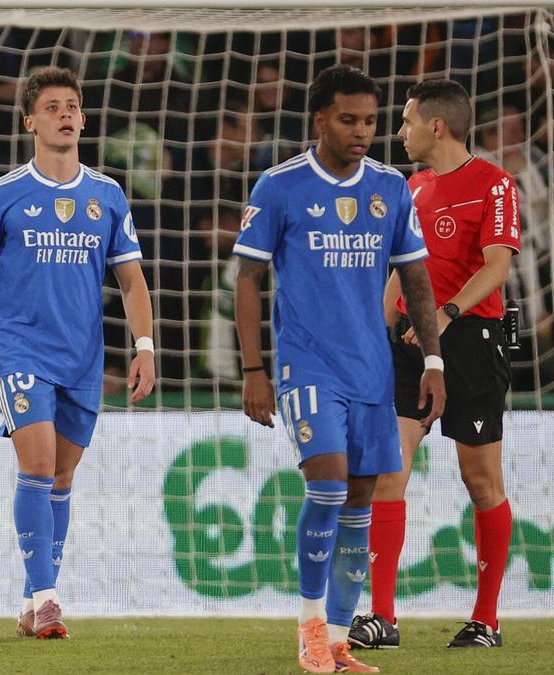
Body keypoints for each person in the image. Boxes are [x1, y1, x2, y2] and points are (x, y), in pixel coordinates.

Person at [232, 64, 446, 673]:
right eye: (348, 119)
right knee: (326, 485)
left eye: (371, 121)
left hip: (373, 372)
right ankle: (310, 631)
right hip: (308, 367)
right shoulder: (280, 185)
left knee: (359, 504)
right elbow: (248, 277)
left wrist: (432, 359)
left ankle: (340, 639)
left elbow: (416, 278)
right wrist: (254, 369)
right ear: (320, 119)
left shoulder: (391, 186)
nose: (362, 132)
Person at [0, 65, 156, 640]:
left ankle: (30, 597)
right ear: (30, 122)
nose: (66, 114)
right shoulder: (4, 195)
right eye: (53, 107)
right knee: (36, 466)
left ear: (83, 120)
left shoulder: (108, 196)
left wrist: (145, 347)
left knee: (62, 477)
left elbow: (133, 282)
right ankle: (46, 598)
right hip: (22, 353)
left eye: (73, 106)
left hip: (84, 358)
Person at [350, 78, 520, 651]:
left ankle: (486, 619)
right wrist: (378, 329)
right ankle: (381, 617)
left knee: (480, 481)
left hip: (471, 341)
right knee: (387, 472)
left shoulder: (494, 184)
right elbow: (401, 267)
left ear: (437, 126)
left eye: (405, 121)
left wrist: (444, 315)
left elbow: (498, 267)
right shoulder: (412, 188)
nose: (399, 132)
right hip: (407, 345)